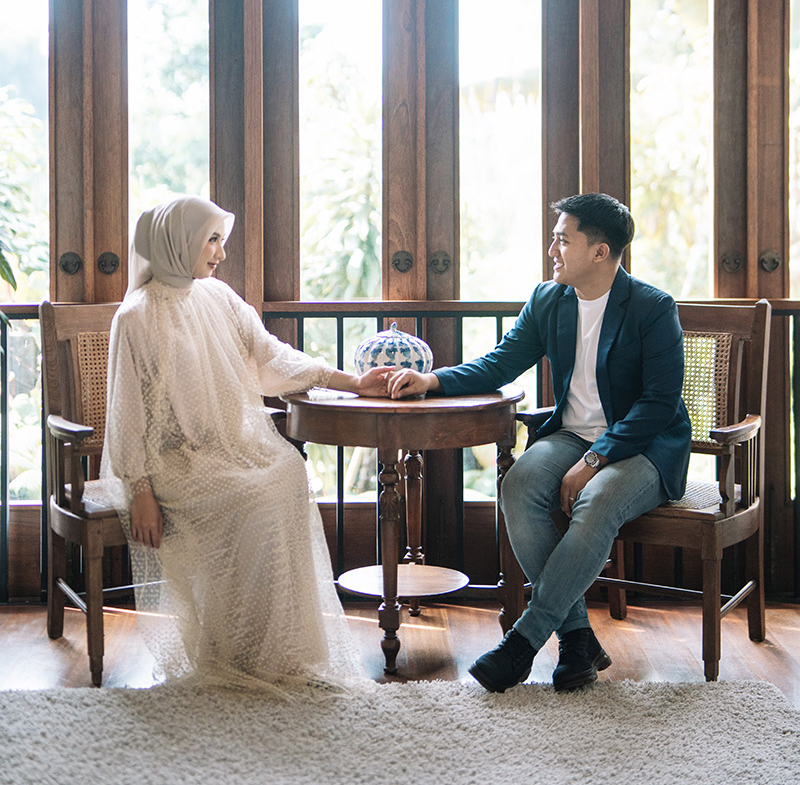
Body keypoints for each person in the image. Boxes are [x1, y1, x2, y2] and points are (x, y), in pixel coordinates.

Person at [386, 192, 691, 694]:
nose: (552, 250)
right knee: (519, 485)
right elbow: (501, 363)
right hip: (571, 434)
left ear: (600, 251)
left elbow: (659, 404)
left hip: (644, 446)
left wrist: (596, 458)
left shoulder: (652, 308)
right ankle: (577, 640)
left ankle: (522, 644)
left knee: (596, 501)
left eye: (563, 240)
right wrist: (433, 380)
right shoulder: (549, 300)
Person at [101, 194, 391, 690]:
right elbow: (127, 414)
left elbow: (271, 357)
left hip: (230, 448)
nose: (221, 253)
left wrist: (352, 382)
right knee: (251, 497)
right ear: (178, 242)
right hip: (170, 463)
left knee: (287, 471)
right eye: (212, 240)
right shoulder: (136, 316)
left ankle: (279, 648)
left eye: (221, 240)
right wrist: (140, 490)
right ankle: (233, 649)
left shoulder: (219, 296)